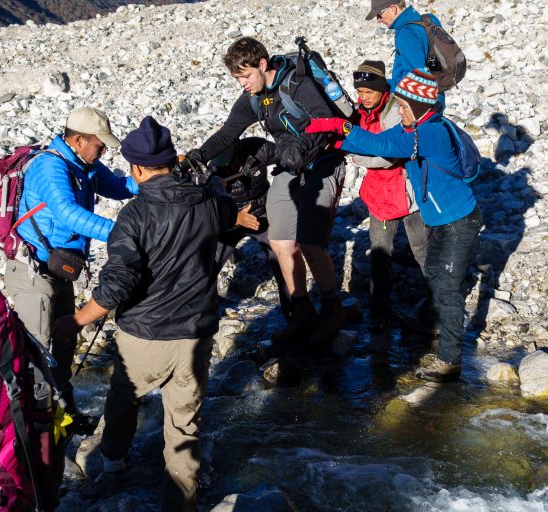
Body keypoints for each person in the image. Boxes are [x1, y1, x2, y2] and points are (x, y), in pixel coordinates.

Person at [52, 116, 243, 511]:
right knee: (184, 425)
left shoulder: (134, 215)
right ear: (172, 160)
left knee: (123, 400)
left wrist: (77, 320)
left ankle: (115, 467)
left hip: (144, 336)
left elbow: (118, 283)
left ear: (137, 168)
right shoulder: (209, 203)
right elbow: (230, 214)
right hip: (196, 334)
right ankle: (181, 501)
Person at [307, 69, 482, 382]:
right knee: (441, 280)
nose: (398, 111)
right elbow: (380, 140)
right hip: (441, 218)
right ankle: (440, 336)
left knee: (446, 286)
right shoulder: (416, 128)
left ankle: (450, 361)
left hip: (459, 221)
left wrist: (341, 129)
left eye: (403, 106)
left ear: (418, 106)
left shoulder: (428, 132)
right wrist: (344, 127)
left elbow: (384, 148)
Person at [186, 37, 347, 352]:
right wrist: (199, 155)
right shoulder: (252, 99)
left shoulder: (298, 85)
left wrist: (301, 149)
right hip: (289, 168)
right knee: (282, 243)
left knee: (312, 245)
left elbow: (326, 122)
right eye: (238, 79)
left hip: (323, 164)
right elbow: (228, 133)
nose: (243, 84)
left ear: (262, 64)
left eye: (245, 76)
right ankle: (301, 312)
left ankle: (332, 309)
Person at [5, 107, 137, 411]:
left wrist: (158, 172)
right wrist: (125, 233)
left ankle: (62, 411)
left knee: (65, 340)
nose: (103, 151)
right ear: (78, 140)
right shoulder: (51, 168)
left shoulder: (84, 165)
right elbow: (69, 215)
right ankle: (32, 424)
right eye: (99, 145)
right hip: (32, 272)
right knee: (37, 352)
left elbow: (119, 188)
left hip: (60, 269)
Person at [345, 60, 431, 331]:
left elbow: (391, 154)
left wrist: (356, 156)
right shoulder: (360, 112)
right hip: (379, 196)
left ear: (382, 90)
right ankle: (380, 311)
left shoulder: (396, 111)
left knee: (422, 250)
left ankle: (438, 303)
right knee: (381, 254)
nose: (363, 97)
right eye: (359, 92)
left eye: (368, 92)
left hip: (407, 192)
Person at [209, 136, 291, 318]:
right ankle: (205, 314)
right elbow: (205, 212)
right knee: (207, 265)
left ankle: (293, 312)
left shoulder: (259, 149)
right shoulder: (209, 168)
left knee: (282, 260)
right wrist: (235, 218)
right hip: (228, 221)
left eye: (228, 163)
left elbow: (289, 158)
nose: (224, 168)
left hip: (262, 214)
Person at [365, 0, 446, 106]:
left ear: (393, 8)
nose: (379, 20)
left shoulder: (406, 32)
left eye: (379, 15)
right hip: (438, 93)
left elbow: (414, 76)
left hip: (416, 102)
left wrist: (385, 85)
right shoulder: (429, 20)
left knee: (384, 121)